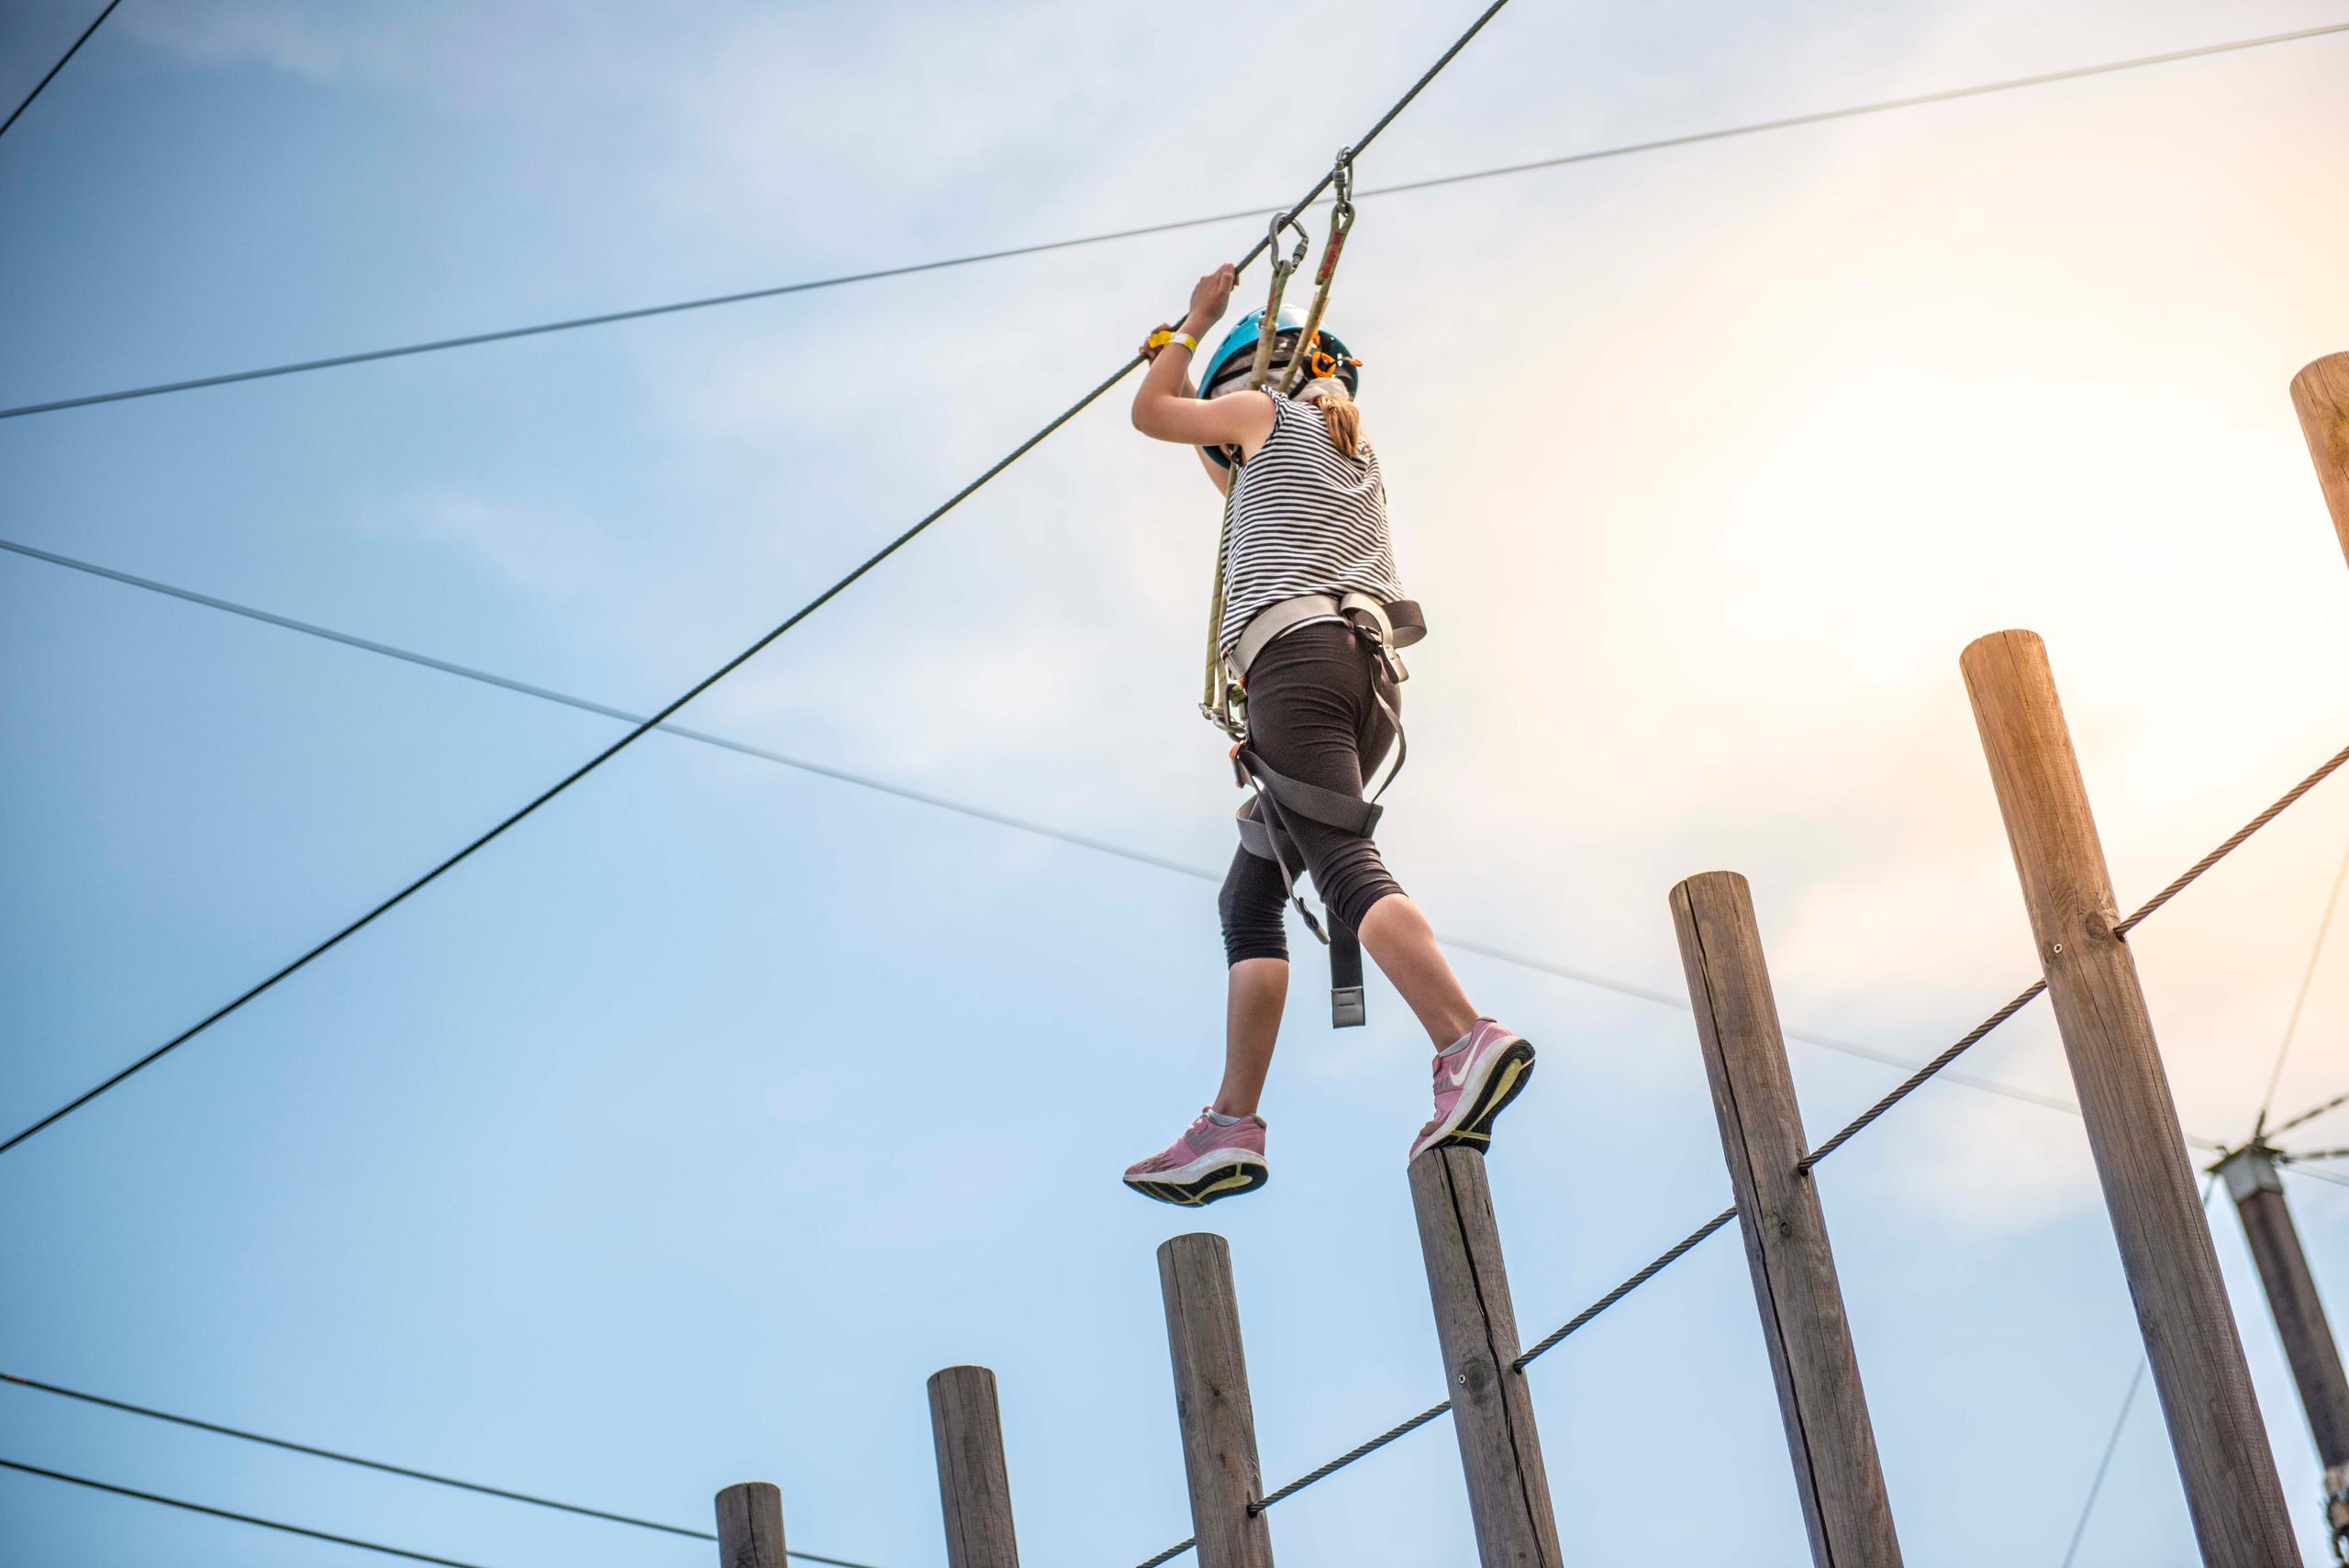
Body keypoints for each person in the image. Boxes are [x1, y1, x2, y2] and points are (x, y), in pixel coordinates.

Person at [1119, 261, 1535, 1207]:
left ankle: (1462, 1034)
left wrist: (1189, 324)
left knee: (1346, 869)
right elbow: (1224, 474)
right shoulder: (1345, 448)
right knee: (1250, 895)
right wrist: (1191, 369)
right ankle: (1232, 1122)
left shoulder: (1267, 417)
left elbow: (1153, 416)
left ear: (1251, 387)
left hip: (1298, 666)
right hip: (1360, 674)